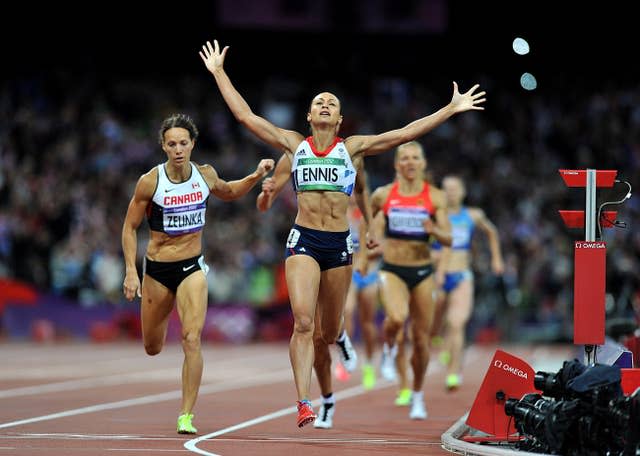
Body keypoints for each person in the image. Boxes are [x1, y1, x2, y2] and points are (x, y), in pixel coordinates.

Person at [199, 39, 485, 428]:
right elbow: (246, 116)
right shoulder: (293, 144)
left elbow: (403, 133)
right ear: (309, 114)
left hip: (338, 245)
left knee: (328, 330)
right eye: (318, 101)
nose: (324, 105)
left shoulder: (352, 148)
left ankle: (339, 340)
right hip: (303, 240)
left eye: (331, 103)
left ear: (338, 119)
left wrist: (450, 109)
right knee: (303, 323)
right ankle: (303, 401)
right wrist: (219, 72)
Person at [121, 113, 274, 434]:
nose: (178, 149)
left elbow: (229, 191)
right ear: (163, 146)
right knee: (152, 346)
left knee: (192, 339)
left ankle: (186, 415)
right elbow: (129, 227)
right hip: (158, 270)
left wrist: (256, 175)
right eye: (172, 143)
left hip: (192, 267)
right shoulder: (151, 181)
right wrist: (131, 272)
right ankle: (157, 335)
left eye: (183, 143)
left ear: (193, 144)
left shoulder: (204, 175)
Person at [370, 141, 452, 420]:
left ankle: (417, 396)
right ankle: (389, 348)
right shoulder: (383, 195)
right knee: (396, 317)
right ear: (396, 164)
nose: (410, 162)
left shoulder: (436, 197)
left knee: (421, 341)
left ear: (423, 163)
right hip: (392, 268)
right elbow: (366, 219)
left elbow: (449, 238)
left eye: (415, 157)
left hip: (422, 272)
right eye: (404, 158)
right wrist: (367, 244)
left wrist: (435, 231)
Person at [430, 175, 504, 391]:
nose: (451, 192)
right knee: (437, 319)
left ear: (463, 192)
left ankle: (453, 373)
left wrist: (496, 258)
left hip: (462, 274)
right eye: (446, 189)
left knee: (456, 322)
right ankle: (441, 339)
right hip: (439, 275)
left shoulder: (473, 215)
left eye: (455, 188)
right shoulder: (436, 215)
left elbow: (492, 232)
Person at [336, 181, 382, 389]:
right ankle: (345, 356)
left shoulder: (374, 216)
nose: (353, 194)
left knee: (368, 323)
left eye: (357, 190)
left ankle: (370, 364)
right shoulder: (339, 212)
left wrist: (364, 253)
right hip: (350, 272)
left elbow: (383, 248)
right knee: (346, 311)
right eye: (350, 189)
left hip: (370, 273)